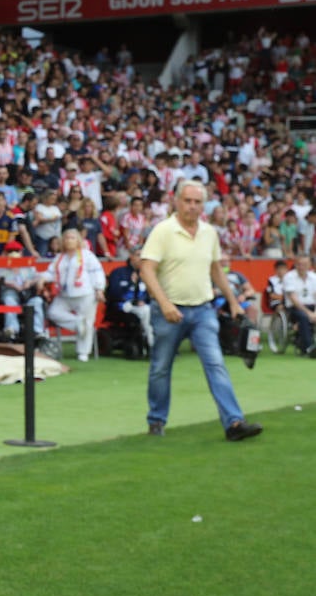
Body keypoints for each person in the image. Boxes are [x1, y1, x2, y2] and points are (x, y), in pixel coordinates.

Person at [139, 179, 263, 441]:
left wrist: (232, 300)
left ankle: (234, 422)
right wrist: (164, 303)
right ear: (176, 201)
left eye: (197, 202)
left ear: (203, 205)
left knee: (216, 363)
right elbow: (146, 269)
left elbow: (216, 269)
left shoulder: (209, 233)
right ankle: (156, 420)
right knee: (161, 367)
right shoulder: (163, 230)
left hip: (203, 309)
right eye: (188, 201)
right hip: (169, 310)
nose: (192, 206)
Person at [44, 228, 107, 361]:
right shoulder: (60, 257)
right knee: (53, 312)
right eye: (66, 238)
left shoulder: (87, 255)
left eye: (72, 238)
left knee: (88, 321)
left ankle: (83, 352)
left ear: (78, 240)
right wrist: (41, 279)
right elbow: (50, 273)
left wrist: (99, 289)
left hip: (85, 293)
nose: (69, 241)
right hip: (64, 294)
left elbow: (97, 272)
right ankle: (78, 324)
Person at [106, 249, 154, 347]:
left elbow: (151, 294)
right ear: (131, 256)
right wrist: (131, 283)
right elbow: (113, 293)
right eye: (138, 255)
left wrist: (143, 301)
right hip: (122, 306)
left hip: (143, 306)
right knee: (146, 310)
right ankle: (151, 342)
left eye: (143, 255)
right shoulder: (118, 273)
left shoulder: (148, 274)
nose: (141, 258)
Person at [280, 253, 316, 357]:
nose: (301, 267)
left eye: (304, 264)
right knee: (304, 317)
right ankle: (308, 348)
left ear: (310, 265)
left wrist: (315, 312)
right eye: (299, 264)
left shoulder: (314, 277)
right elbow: (293, 299)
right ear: (295, 264)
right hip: (294, 308)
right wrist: (309, 313)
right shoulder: (289, 277)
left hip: (312, 306)